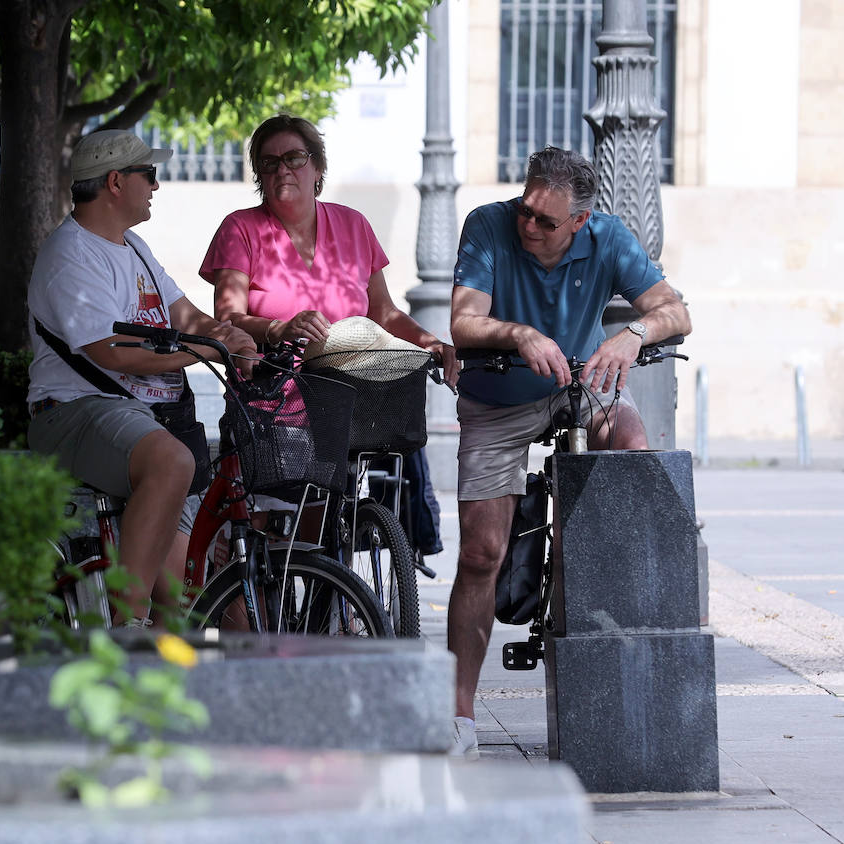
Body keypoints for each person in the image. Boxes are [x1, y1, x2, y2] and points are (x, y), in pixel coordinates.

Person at [446, 146, 693, 759]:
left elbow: (675, 311)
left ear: (581, 222)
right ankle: (458, 716)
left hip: (578, 388)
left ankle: (603, 593)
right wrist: (521, 333)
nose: (529, 225)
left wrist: (634, 334)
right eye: (526, 210)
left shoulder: (609, 237)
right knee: (480, 553)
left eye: (546, 221)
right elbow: (462, 320)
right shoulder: (487, 224)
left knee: (632, 443)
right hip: (497, 396)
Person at [27, 130, 257, 626]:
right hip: (77, 412)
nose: (156, 186)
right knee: (172, 463)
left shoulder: (133, 246)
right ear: (115, 181)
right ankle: (125, 626)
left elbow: (185, 316)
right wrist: (205, 350)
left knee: (179, 600)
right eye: (148, 175)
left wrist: (231, 337)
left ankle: (149, 668)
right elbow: (114, 353)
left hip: (151, 420)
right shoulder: (70, 255)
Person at [199, 114, 459, 378]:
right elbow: (228, 320)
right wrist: (279, 328)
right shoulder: (239, 228)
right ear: (260, 175)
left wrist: (428, 341)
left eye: (294, 157)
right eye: (269, 162)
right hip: (271, 400)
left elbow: (383, 311)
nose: (282, 169)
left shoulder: (353, 224)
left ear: (318, 168)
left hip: (354, 398)